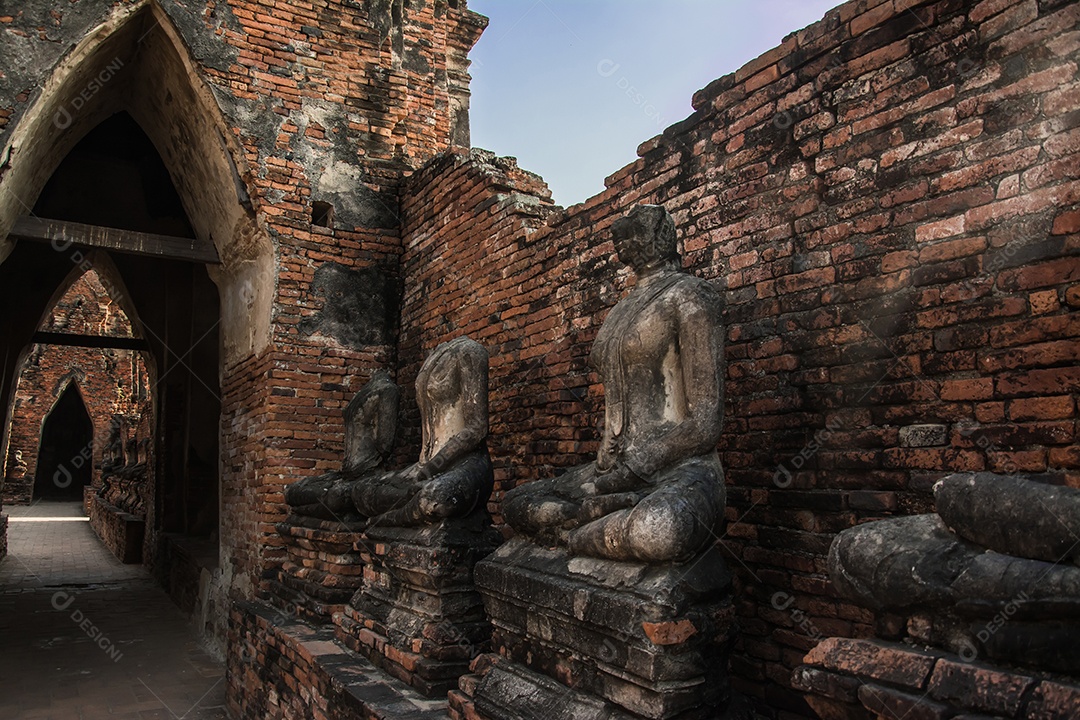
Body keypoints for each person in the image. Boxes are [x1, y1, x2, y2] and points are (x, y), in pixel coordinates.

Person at [502, 204, 725, 564]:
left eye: (640, 232)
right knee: (516, 503)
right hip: (609, 470)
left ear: (663, 237)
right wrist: (610, 477)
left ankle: (574, 535)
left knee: (659, 527)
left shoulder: (689, 296)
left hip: (677, 468)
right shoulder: (622, 310)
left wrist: (637, 466)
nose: (631, 242)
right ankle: (600, 522)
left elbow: (705, 424)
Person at [352, 336, 493, 527]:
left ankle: (389, 519)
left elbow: (476, 428)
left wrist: (431, 469)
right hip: (424, 465)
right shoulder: (433, 359)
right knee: (362, 491)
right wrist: (422, 470)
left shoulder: (470, 352)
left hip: (464, 463)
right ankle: (407, 507)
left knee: (435, 498)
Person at [284, 370, 399, 521]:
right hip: (349, 475)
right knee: (294, 491)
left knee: (336, 498)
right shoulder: (378, 390)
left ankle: (303, 514)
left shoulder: (385, 391)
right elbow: (384, 444)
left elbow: (384, 446)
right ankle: (304, 513)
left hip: (367, 473)